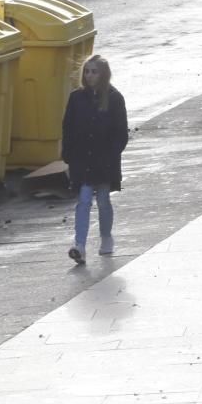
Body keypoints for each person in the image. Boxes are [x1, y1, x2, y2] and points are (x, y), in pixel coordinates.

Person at [62, 54, 129, 264]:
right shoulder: (76, 98)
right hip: (82, 159)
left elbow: (120, 132)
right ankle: (79, 245)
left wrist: (112, 155)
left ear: (103, 74)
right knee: (83, 201)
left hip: (104, 160)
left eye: (94, 71)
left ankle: (106, 237)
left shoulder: (114, 98)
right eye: (87, 71)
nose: (90, 76)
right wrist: (68, 154)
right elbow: (68, 127)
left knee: (102, 200)